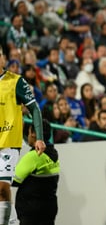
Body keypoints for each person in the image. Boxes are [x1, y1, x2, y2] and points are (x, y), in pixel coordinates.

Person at [0, 45, 46, 224]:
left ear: (3, 58)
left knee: (3, 188)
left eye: (0, 55)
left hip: (9, 142)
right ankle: (12, 222)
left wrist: (39, 137)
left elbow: (34, 109)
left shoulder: (16, 81)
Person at [13, 119, 59, 225]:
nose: (28, 136)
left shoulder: (34, 155)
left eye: (28, 132)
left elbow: (13, 179)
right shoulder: (54, 154)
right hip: (49, 209)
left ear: (34, 134)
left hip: (31, 213)